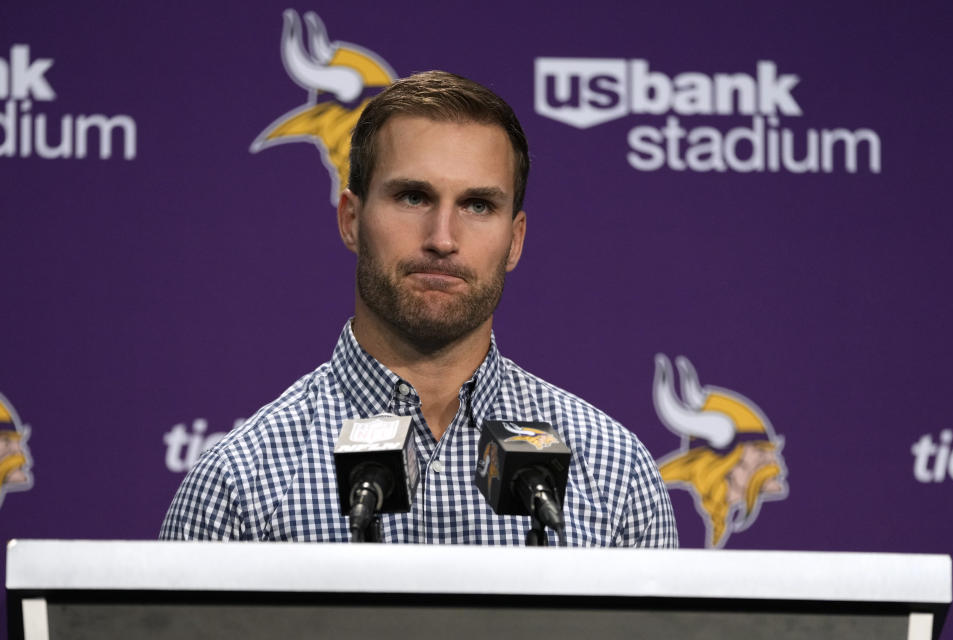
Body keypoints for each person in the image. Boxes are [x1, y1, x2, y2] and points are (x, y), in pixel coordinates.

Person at [161, 71, 677, 547]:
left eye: (478, 206)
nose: (443, 239)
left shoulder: (615, 476)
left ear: (515, 240)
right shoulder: (239, 484)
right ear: (350, 219)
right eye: (412, 197)